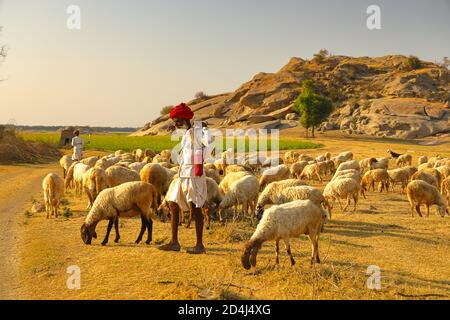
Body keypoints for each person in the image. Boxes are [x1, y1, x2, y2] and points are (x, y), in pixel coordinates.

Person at [158, 103, 209, 254]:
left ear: (185, 119)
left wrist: (204, 129)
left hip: (194, 174)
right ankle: (174, 242)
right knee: (172, 203)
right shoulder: (187, 133)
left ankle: (199, 245)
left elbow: (209, 144)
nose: (175, 123)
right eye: (174, 121)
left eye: (177, 120)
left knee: (196, 207)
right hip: (183, 174)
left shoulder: (197, 131)